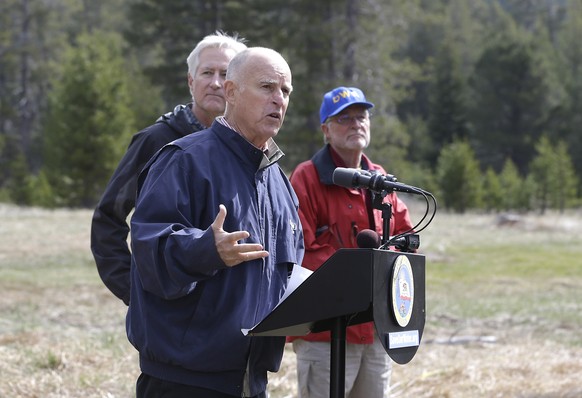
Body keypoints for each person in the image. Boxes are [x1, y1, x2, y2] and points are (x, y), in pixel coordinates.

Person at [126, 47, 304, 398]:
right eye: (267, 87)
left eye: (285, 92)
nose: (278, 100)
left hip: (251, 379)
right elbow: (149, 248)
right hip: (185, 381)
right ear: (232, 92)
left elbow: (288, 272)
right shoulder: (184, 160)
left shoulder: (280, 183)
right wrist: (205, 249)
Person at [90, 31, 247, 305]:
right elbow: (108, 220)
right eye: (206, 72)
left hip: (232, 311)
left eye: (225, 74)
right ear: (191, 81)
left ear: (238, 86)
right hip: (171, 315)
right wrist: (134, 290)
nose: (215, 83)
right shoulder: (156, 141)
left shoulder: (250, 149)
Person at [288, 86, 414, 398]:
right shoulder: (306, 178)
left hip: (375, 328)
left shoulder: (380, 178)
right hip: (324, 329)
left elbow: (403, 235)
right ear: (326, 130)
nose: (356, 124)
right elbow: (299, 250)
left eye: (361, 117)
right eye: (344, 118)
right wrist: (361, 273)